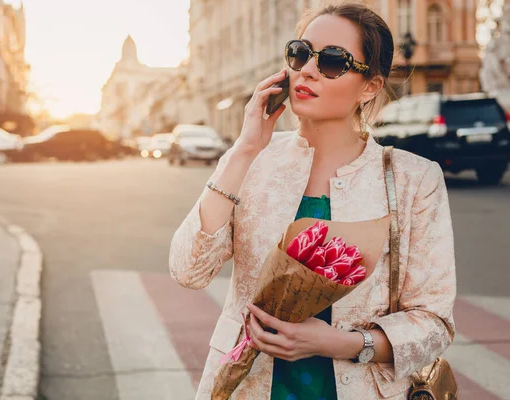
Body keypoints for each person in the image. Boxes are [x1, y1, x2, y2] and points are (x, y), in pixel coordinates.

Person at [169, 3, 456, 400]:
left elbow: (434, 323)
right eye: (300, 53)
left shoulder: (415, 179)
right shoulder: (254, 160)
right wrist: (243, 149)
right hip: (246, 386)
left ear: (370, 86)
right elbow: (188, 270)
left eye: (333, 62)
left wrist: (339, 343)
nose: (307, 69)